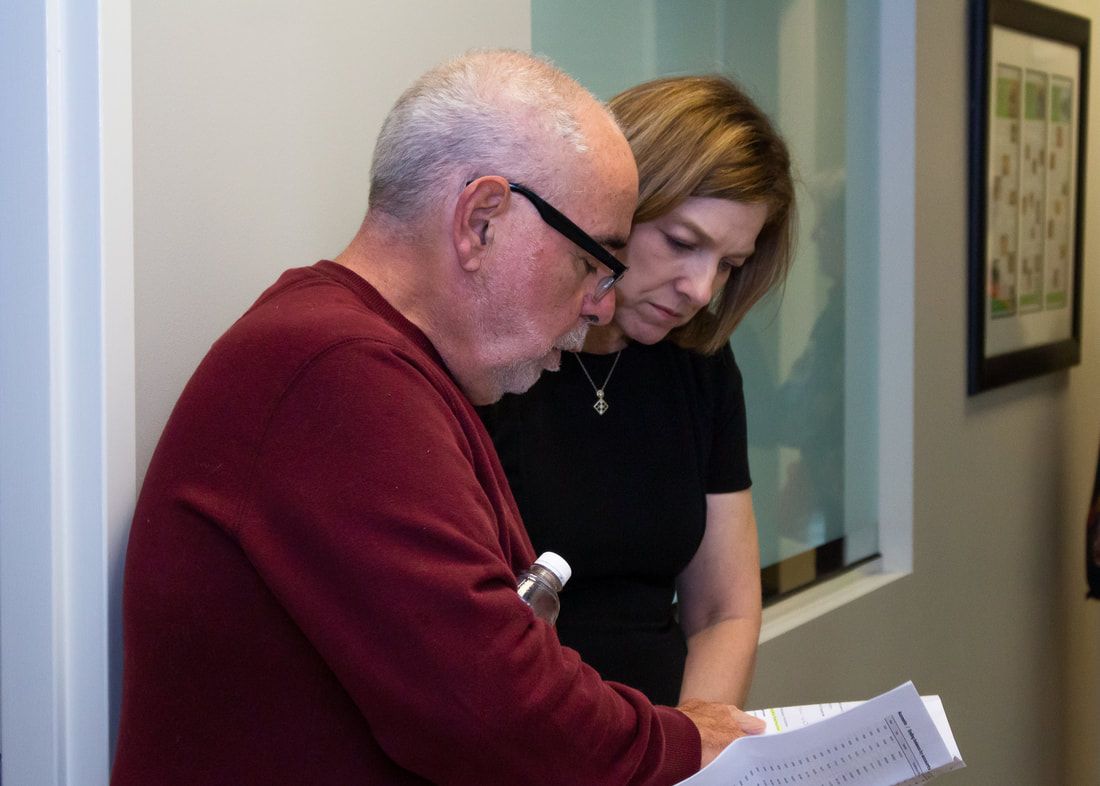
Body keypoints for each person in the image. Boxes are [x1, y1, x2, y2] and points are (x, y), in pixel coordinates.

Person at [111, 51, 764, 786]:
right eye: (592, 263)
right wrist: (683, 745)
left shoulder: (374, 361)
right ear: (481, 222)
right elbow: (492, 709)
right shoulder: (338, 376)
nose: (601, 303)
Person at [481, 74, 796, 709]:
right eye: (682, 243)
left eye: (729, 265)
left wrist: (697, 742)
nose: (700, 290)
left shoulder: (699, 363)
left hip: (664, 726)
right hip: (526, 726)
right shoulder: (495, 354)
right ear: (613, 207)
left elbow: (724, 610)